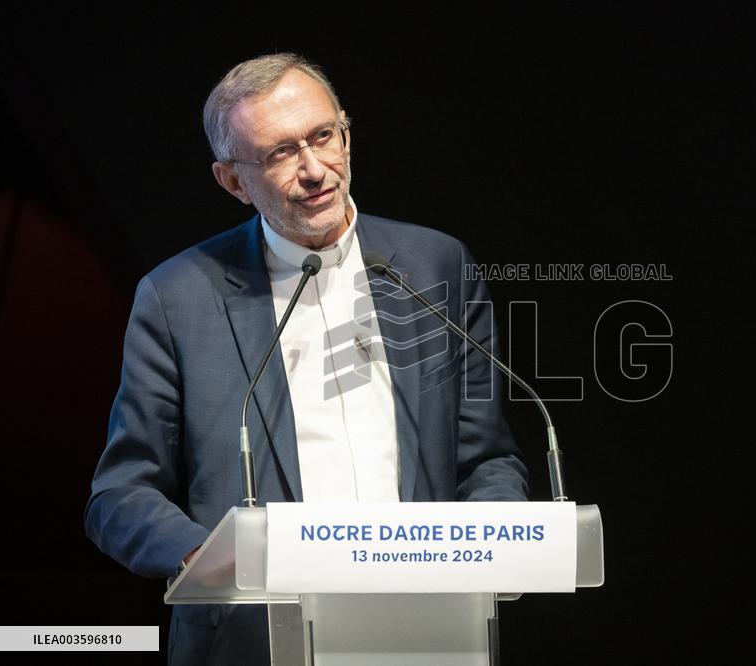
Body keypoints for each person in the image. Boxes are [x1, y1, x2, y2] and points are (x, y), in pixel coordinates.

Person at [84, 53, 528, 664]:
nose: (315, 170)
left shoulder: (437, 265)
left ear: (346, 135)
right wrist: (205, 558)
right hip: (255, 637)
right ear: (233, 182)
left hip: (429, 628)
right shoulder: (176, 297)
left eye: (323, 136)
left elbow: (486, 459)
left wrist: (497, 538)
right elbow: (121, 494)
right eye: (279, 153)